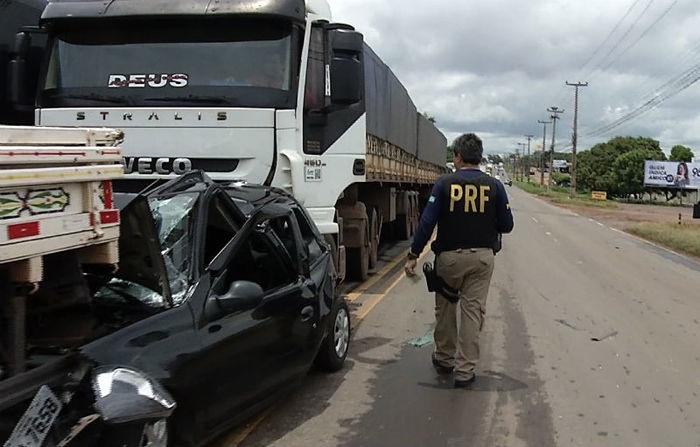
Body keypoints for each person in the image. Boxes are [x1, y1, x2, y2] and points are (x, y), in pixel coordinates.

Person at [405, 133, 514, 388]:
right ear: (479, 156)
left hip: (449, 260)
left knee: (445, 307)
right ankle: (465, 371)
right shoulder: (495, 186)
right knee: (472, 312)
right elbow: (507, 225)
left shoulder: (444, 184)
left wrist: (413, 255)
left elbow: (426, 224)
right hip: (482, 260)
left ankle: (445, 359)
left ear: (458, 156)